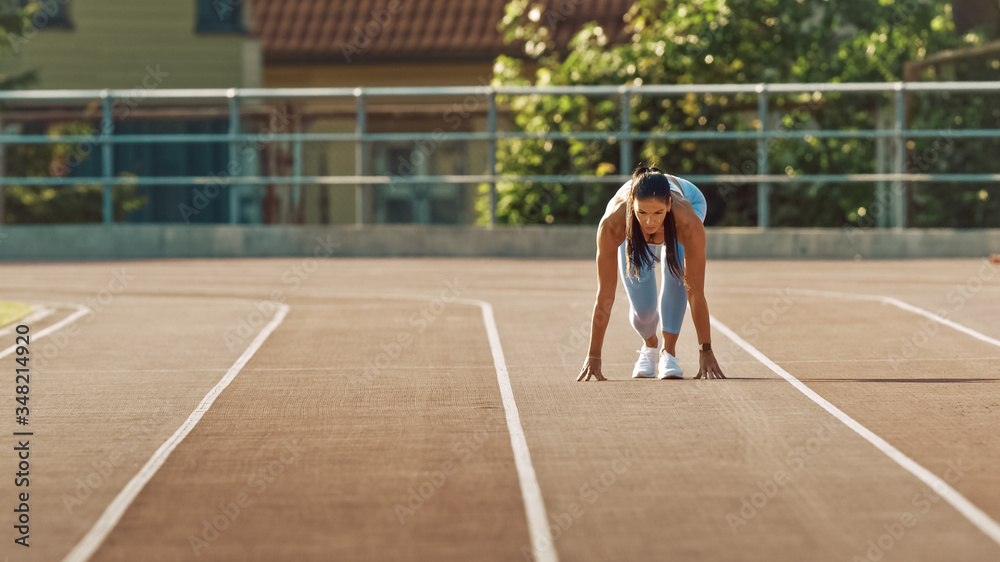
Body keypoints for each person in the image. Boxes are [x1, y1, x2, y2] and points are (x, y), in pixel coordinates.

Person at [576, 165, 726, 382]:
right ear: (631, 207)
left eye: (658, 213)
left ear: (669, 205)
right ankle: (650, 346)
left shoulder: (686, 221)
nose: (649, 222)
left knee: (677, 276)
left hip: (690, 200)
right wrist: (594, 355)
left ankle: (669, 353)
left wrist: (706, 349)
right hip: (630, 228)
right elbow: (605, 295)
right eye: (642, 213)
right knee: (644, 310)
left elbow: (695, 292)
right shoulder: (613, 224)